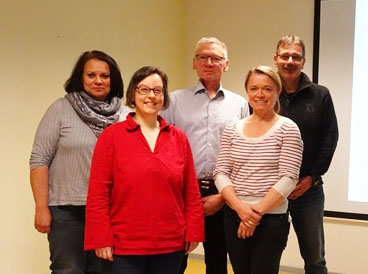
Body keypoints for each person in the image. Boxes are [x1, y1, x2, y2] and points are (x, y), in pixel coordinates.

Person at [84, 66, 204, 274]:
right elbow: (98, 193)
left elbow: (191, 191)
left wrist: (193, 231)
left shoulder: (178, 138)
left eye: (158, 90)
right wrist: (100, 237)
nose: (151, 96)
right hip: (124, 246)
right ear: (133, 93)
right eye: (144, 89)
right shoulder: (111, 137)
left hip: (170, 244)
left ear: (164, 97)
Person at [30, 50, 128, 274]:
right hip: (66, 210)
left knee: (104, 270)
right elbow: (39, 159)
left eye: (104, 75)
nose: (98, 81)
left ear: (113, 80)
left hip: (110, 211)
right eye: (91, 75)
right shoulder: (61, 109)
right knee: (68, 270)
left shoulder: (125, 116)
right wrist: (41, 208)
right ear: (80, 78)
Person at [161, 37, 249, 274]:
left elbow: (243, 156)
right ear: (194, 63)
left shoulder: (240, 104)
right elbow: (163, 150)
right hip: (181, 192)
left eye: (216, 58)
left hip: (222, 194)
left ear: (226, 64)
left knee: (217, 260)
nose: (209, 62)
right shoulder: (174, 101)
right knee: (175, 259)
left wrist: (222, 196)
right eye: (203, 57)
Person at [214, 66, 304, 274]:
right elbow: (221, 173)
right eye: (254, 88)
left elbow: (289, 178)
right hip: (234, 215)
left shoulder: (288, 128)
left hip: (271, 219)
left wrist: (255, 214)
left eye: (267, 89)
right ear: (247, 91)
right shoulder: (232, 129)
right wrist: (240, 208)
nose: (260, 94)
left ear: (278, 92)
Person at [274, 35, 339, 274]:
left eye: (295, 56)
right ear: (276, 59)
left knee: (314, 260)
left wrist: (311, 178)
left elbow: (330, 139)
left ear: (303, 61)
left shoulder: (320, 95)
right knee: (267, 256)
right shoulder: (265, 95)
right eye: (285, 56)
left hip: (308, 191)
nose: (290, 61)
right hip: (271, 192)